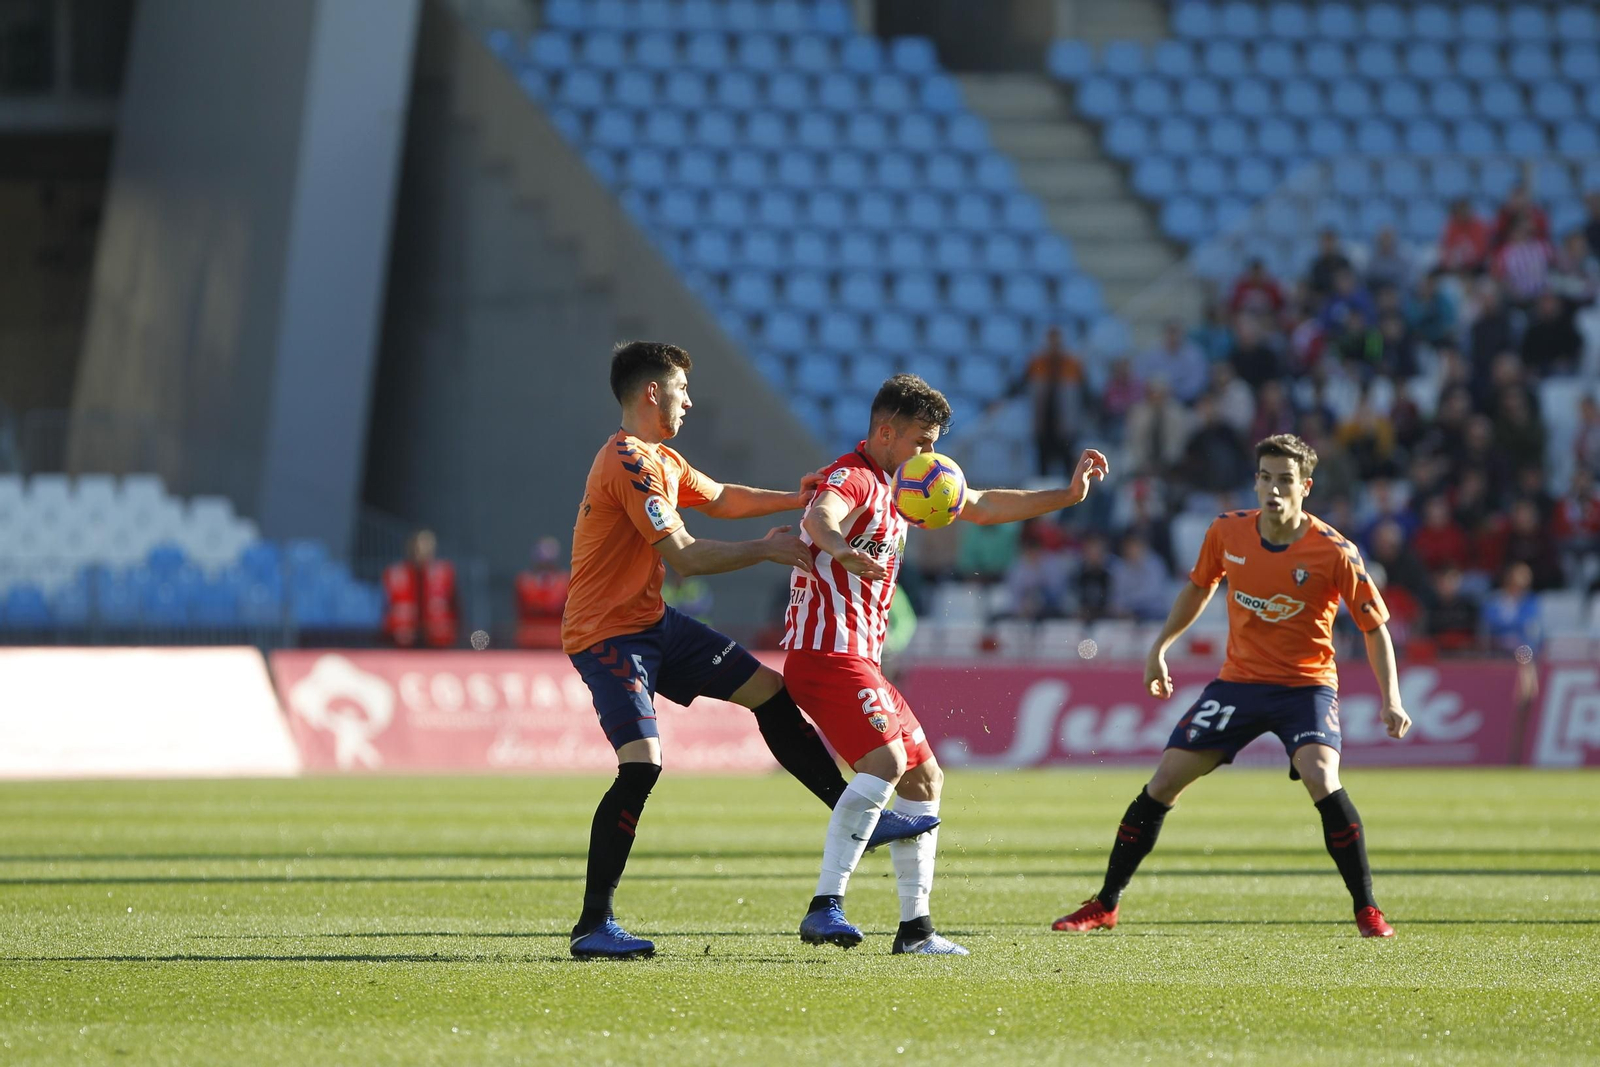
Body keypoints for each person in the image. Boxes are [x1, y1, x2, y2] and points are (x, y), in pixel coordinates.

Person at [561, 342, 935, 961]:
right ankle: (592, 924)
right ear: (652, 392)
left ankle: (860, 818)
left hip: (651, 621)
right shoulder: (627, 461)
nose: (689, 401)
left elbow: (722, 498)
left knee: (769, 691)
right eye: (682, 389)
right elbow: (684, 555)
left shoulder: (661, 458)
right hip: (606, 633)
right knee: (643, 765)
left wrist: (795, 497)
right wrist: (764, 548)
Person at [784, 373, 1108, 955]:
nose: (929, 455)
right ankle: (824, 906)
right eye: (922, 441)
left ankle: (916, 930)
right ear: (887, 432)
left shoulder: (905, 485)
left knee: (925, 777)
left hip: (861, 659)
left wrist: (1065, 496)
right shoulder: (853, 475)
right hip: (826, 652)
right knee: (885, 762)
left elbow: (982, 505)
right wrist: (840, 550)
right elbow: (818, 517)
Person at [1051, 434, 1411, 939]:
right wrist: (1159, 648)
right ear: (1256, 482)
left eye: (1285, 480)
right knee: (1163, 783)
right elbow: (1199, 587)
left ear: (1305, 487)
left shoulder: (1335, 551)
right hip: (1238, 684)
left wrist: (1391, 699)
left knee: (1321, 776)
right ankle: (1105, 904)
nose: (1274, 489)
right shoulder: (1227, 532)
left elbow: (1375, 628)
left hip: (1305, 687)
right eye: (1265, 478)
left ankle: (1367, 910)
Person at [382, 529, 458, 648]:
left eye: (426, 547)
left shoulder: (444, 572)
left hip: (438, 638)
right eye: (418, 547)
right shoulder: (395, 573)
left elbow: (455, 603)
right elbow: (384, 606)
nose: (422, 552)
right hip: (402, 638)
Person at [514, 537, 569, 649]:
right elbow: (522, 608)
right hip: (530, 635)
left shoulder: (565, 581)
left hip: (557, 636)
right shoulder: (524, 581)